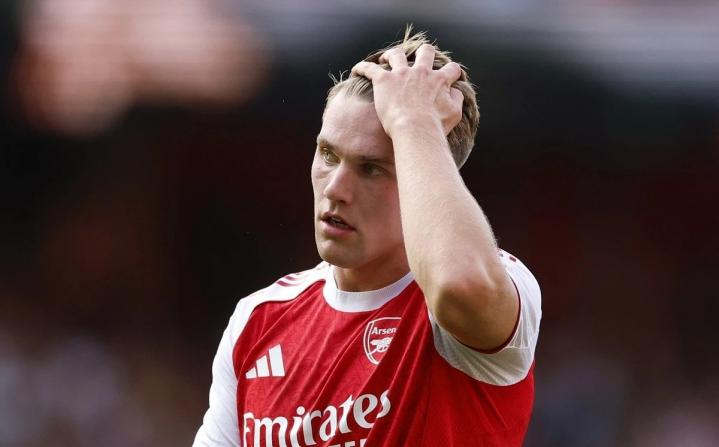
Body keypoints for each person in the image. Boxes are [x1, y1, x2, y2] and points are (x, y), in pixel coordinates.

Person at [193, 29, 541, 447]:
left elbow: (458, 283)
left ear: (423, 171)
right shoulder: (257, 321)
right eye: (328, 154)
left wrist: (414, 123)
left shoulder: (498, 284)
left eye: (372, 169)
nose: (335, 187)